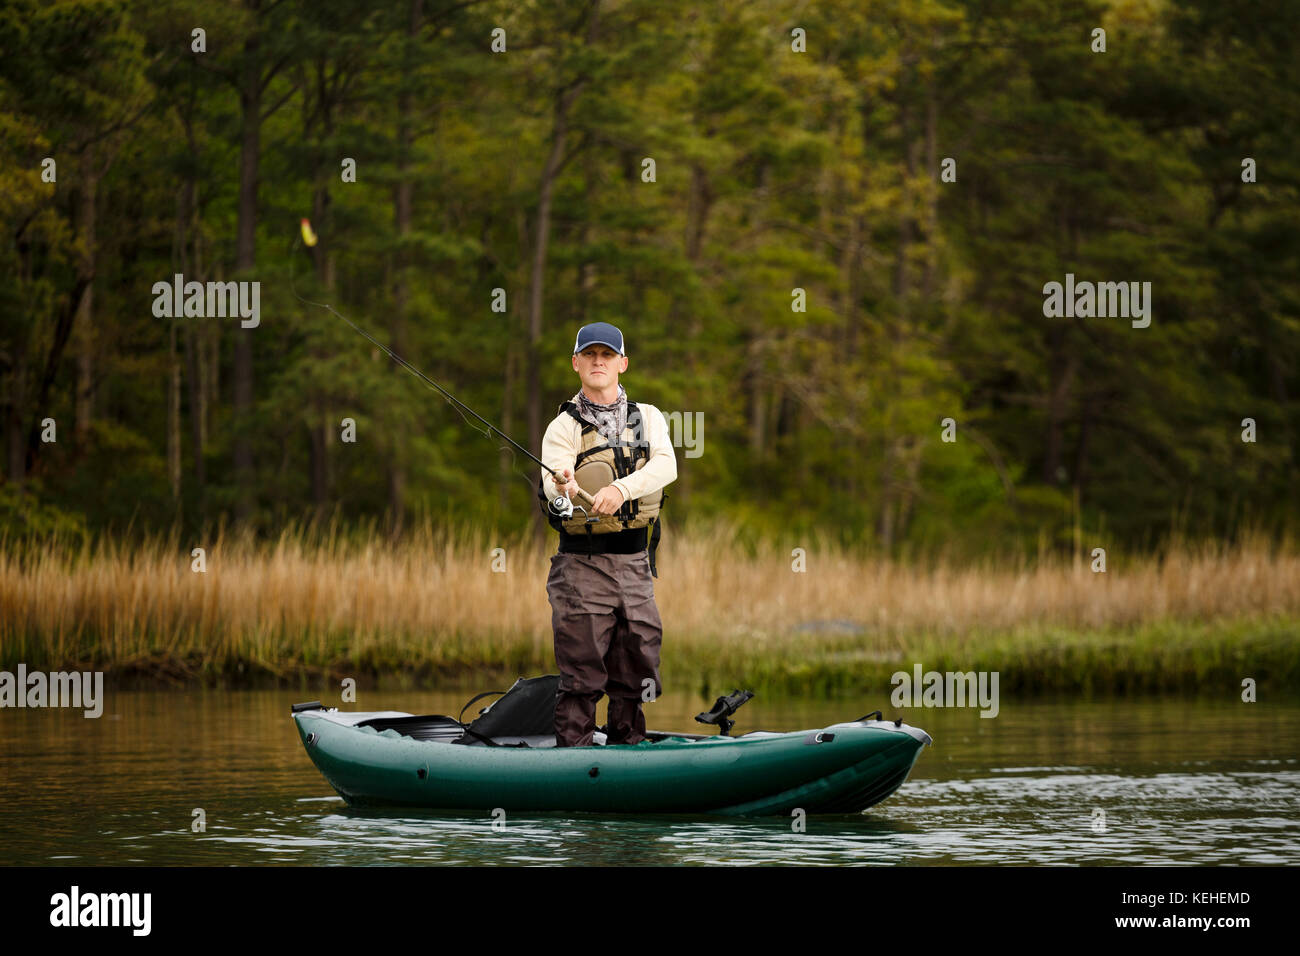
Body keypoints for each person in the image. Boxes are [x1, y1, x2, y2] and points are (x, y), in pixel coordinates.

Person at [537, 321, 677, 747]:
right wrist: (562, 485)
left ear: (622, 364)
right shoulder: (563, 427)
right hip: (582, 565)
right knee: (582, 673)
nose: (599, 362)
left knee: (637, 668)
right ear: (576, 363)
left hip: (635, 566)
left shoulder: (648, 417)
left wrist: (620, 488)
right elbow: (552, 492)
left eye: (607, 355)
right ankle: (573, 758)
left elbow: (666, 466)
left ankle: (627, 749)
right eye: (590, 355)